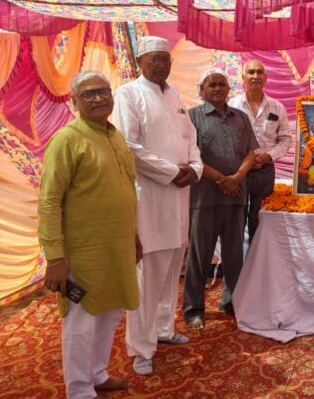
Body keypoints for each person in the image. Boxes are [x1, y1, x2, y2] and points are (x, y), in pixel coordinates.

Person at [38, 71, 139, 397]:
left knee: (109, 314)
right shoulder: (67, 140)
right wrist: (55, 259)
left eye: (103, 91)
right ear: (75, 102)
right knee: (81, 322)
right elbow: (49, 201)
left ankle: (97, 374)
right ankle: (79, 390)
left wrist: (134, 237)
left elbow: (125, 191)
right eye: (89, 94)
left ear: (112, 95)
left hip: (117, 247)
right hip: (83, 253)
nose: (98, 98)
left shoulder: (115, 135)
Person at [112, 36, 203, 377]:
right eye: (155, 59)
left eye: (166, 59)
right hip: (149, 199)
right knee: (146, 279)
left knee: (170, 272)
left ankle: (164, 330)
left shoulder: (175, 95)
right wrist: (171, 172)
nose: (162, 65)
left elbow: (191, 140)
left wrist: (194, 169)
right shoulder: (128, 94)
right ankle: (141, 348)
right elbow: (128, 146)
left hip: (179, 198)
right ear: (140, 61)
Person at [183, 69, 257, 328]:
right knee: (199, 255)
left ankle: (232, 302)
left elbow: (251, 153)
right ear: (202, 90)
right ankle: (193, 309)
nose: (217, 88)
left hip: (236, 197)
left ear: (228, 88)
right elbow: (191, 156)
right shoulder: (192, 117)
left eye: (222, 84)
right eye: (212, 84)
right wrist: (222, 180)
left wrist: (236, 178)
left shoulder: (241, 117)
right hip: (204, 197)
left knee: (234, 254)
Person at [229, 59, 292, 244]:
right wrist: (244, 161)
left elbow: (286, 139)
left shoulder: (277, 107)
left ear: (266, 77)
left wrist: (268, 156)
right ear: (243, 77)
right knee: (236, 216)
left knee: (261, 217)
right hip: (238, 171)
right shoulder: (232, 105)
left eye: (259, 72)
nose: (255, 76)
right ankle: (236, 259)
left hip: (265, 171)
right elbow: (226, 138)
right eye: (251, 72)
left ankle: (258, 257)